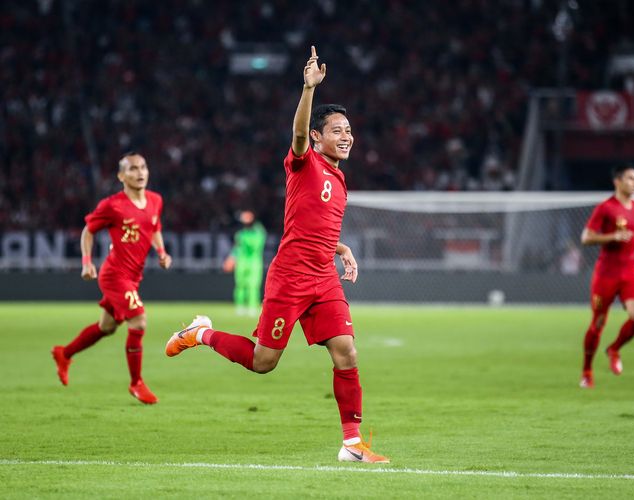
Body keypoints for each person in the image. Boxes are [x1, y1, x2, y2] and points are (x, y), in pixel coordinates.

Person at [165, 46, 389, 463]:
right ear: (320, 136)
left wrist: (342, 248)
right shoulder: (304, 162)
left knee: (347, 351)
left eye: (349, 130)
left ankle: (352, 444)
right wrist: (308, 89)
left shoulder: (339, 181)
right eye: (337, 130)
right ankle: (201, 333)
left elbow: (315, 226)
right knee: (263, 361)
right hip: (290, 277)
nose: (347, 136)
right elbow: (299, 135)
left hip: (323, 277)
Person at [51, 152, 172, 404]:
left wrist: (161, 251)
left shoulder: (155, 200)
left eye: (143, 167)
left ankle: (64, 353)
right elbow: (88, 230)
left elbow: (155, 227)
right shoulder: (112, 205)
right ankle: (136, 383)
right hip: (114, 275)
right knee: (138, 321)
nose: (139, 173)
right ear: (121, 176)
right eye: (132, 169)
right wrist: (86, 262)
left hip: (134, 276)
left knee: (106, 327)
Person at [579, 164, 634, 388]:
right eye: (630, 178)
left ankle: (614, 349)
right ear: (618, 181)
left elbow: (632, 240)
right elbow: (586, 237)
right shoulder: (606, 208)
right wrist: (612, 237)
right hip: (607, 273)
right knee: (598, 323)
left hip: (629, 270)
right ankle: (587, 371)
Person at [222, 210, 267, 315]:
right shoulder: (240, 234)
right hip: (242, 262)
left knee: (253, 285)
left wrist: (254, 221)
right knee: (240, 285)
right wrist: (231, 259)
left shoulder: (258, 233)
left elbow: (259, 238)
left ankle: (252, 307)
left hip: (254, 262)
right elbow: (237, 249)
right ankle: (240, 306)